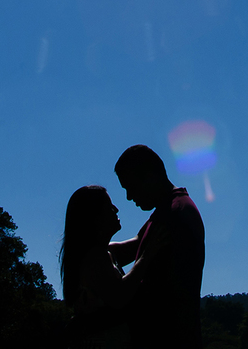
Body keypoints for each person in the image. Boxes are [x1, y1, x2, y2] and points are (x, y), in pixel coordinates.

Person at [108, 145, 205, 349]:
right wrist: (92, 248)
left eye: (130, 187)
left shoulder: (175, 214)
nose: (128, 196)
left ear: (150, 176)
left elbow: (166, 294)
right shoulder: (166, 212)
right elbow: (135, 246)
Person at [60, 185, 160, 349]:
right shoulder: (95, 259)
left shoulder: (104, 253)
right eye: (108, 206)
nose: (116, 209)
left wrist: (161, 210)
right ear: (94, 217)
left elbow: (138, 242)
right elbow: (120, 296)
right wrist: (146, 257)